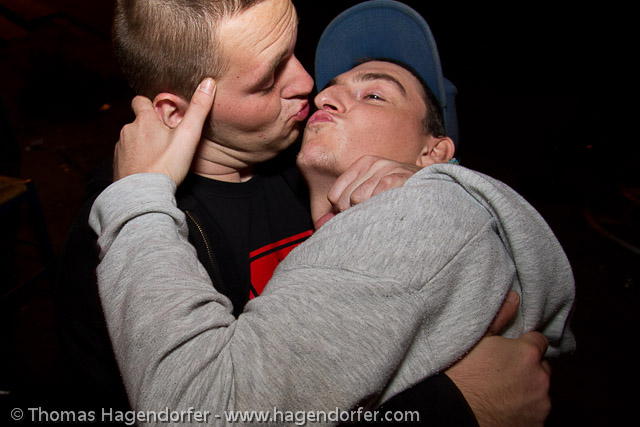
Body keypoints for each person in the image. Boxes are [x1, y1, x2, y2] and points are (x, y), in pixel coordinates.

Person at [86, 0, 574, 425]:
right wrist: (450, 406)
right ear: (176, 113)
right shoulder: (129, 238)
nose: (312, 87)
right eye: (268, 79)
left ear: (435, 151)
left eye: (374, 94)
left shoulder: (385, 197)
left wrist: (427, 191)